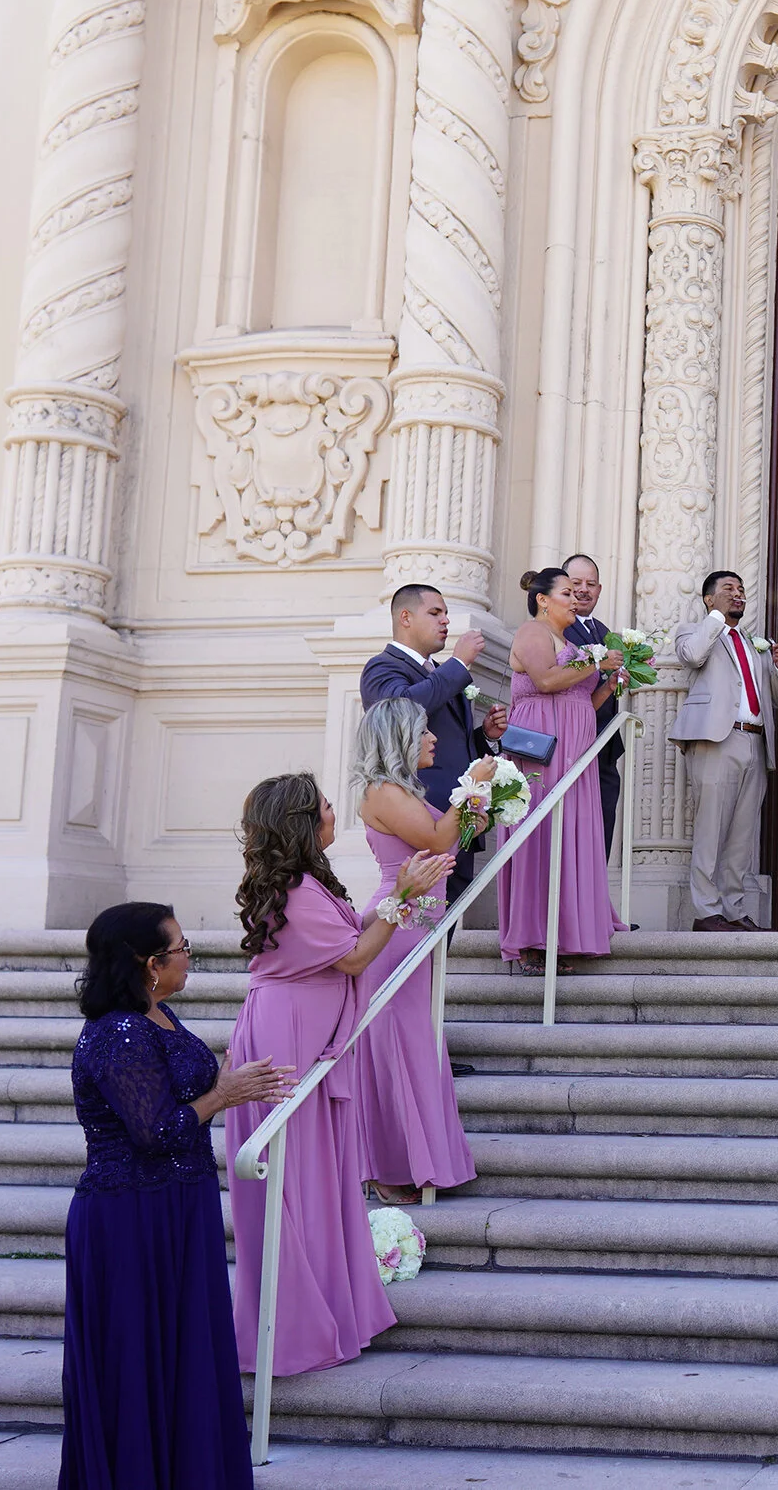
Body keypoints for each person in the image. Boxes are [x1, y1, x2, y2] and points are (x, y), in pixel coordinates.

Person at [227, 773, 451, 1377]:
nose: (334, 813)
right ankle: (297, 1326)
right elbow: (354, 956)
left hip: (309, 1035)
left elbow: (351, 939)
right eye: (326, 806)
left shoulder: (306, 883)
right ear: (302, 821)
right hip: (289, 1043)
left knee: (320, 1177)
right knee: (297, 1182)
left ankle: (331, 1305)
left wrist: (401, 897)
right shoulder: (296, 891)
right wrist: (401, 897)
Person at [62, 902, 285, 1489]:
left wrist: (224, 1080)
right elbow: (156, 1131)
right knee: (138, 1361)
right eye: (183, 948)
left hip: (179, 1204)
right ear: (149, 962)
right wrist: (224, 1095)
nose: (190, 957)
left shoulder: (158, 1014)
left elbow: (177, 1093)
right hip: (131, 1217)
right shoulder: (118, 1031)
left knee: (185, 1353)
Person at [352, 697, 481, 1202]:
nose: (433, 739)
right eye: (423, 732)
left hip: (421, 921)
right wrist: (475, 787)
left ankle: (415, 1161)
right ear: (400, 737)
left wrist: (484, 804)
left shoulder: (405, 790)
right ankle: (388, 1166)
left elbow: (452, 838)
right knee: (399, 1043)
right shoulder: (383, 791)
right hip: (399, 923)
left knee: (417, 1040)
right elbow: (434, 837)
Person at [504, 564, 628, 970]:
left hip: (576, 746)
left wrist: (609, 685)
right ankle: (531, 941)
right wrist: (596, 664)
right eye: (566, 593)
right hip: (541, 747)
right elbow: (544, 681)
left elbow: (579, 703)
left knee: (569, 831)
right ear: (543, 600)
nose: (576, 599)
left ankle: (566, 932)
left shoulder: (566, 639)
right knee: (540, 833)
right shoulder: (532, 632)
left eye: (578, 594)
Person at [359, 583, 509, 901]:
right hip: (419, 815)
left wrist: (485, 737)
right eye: (435, 612)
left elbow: (450, 743)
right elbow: (401, 713)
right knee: (420, 925)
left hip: (459, 815)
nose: (445, 621)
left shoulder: (439, 673)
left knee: (447, 922)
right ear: (405, 617)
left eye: (446, 614)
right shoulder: (382, 667)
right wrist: (458, 665)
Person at [671, 568, 778, 932]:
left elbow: (776, 698)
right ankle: (706, 912)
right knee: (710, 829)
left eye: (740, 589)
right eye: (728, 589)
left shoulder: (756, 644)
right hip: (716, 740)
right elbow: (691, 657)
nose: (738, 594)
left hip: (755, 740)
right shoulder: (694, 632)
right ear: (709, 598)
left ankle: (734, 910)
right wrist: (716, 618)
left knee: (742, 833)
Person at [562, 554, 630, 883]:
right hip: (570, 744)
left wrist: (619, 680)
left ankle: (595, 908)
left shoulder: (605, 633)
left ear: (600, 589)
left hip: (603, 746)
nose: (584, 590)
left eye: (590, 584)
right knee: (570, 830)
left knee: (602, 823)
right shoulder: (555, 631)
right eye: (576, 584)